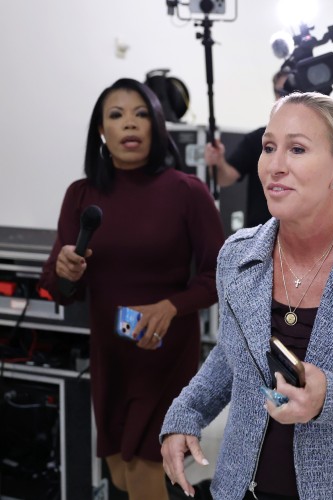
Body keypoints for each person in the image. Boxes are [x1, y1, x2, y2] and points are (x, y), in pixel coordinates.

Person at [161, 92, 333, 499]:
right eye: (269, 147)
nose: (275, 165)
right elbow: (232, 355)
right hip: (243, 486)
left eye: (297, 149)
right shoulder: (237, 255)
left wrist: (331, 399)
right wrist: (186, 413)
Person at [39, 78, 224, 500]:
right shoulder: (80, 195)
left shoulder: (187, 192)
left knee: (143, 472)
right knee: (122, 474)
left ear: (157, 126)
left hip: (164, 352)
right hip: (110, 354)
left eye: (141, 114)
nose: (130, 123)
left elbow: (219, 274)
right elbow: (60, 287)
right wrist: (66, 271)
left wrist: (171, 306)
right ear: (101, 131)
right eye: (117, 115)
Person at [204, 69, 290, 227]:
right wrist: (217, 163)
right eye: (281, 92)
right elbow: (225, 177)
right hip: (262, 230)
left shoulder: (320, 141)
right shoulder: (257, 139)